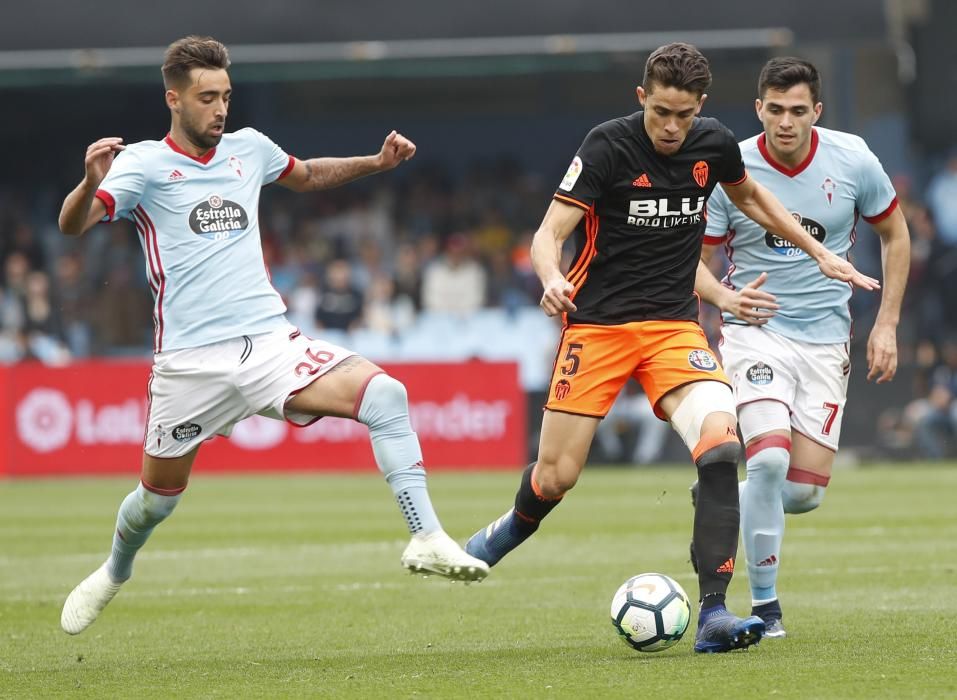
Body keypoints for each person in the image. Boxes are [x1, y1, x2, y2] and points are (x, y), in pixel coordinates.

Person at [57, 36, 488, 636]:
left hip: (268, 343)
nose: (220, 108)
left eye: (226, 96)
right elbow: (74, 224)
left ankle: (427, 536)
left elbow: (307, 175)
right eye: (207, 97)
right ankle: (114, 571)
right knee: (156, 500)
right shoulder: (141, 166)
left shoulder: (249, 149)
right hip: (188, 365)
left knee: (385, 394)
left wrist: (376, 163)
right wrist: (86, 182)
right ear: (173, 99)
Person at [464, 43, 878, 654]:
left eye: (684, 115)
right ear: (642, 99)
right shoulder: (605, 146)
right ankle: (501, 536)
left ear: (700, 108)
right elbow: (549, 232)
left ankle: (713, 614)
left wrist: (819, 252)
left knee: (721, 445)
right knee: (557, 476)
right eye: (661, 112)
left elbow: (754, 201)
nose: (672, 127)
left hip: (673, 329)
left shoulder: (711, 145)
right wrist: (552, 277)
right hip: (598, 327)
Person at [694, 57, 909, 638]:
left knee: (800, 495)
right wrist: (724, 301)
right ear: (758, 108)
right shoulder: (729, 168)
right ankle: (767, 608)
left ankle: (725, 498)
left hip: (825, 340)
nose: (785, 122)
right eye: (774, 110)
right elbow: (697, 262)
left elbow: (895, 233)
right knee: (766, 457)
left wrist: (885, 324)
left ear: (816, 111)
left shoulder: (853, 159)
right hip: (755, 332)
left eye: (798, 111)